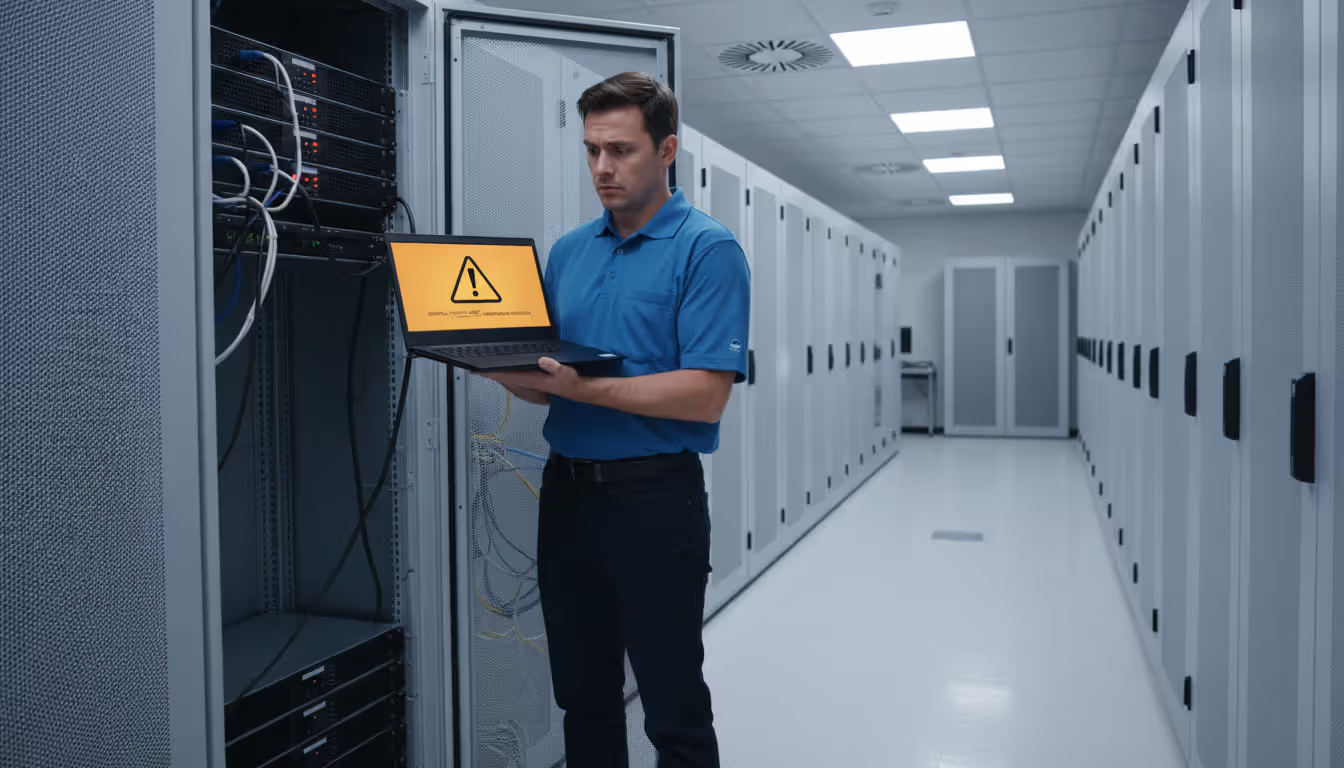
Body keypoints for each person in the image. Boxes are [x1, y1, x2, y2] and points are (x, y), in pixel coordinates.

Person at [478, 71, 749, 767]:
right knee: (583, 697)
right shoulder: (569, 252)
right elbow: (551, 387)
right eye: (593, 149)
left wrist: (586, 390)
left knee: (672, 706)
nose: (603, 167)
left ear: (666, 150)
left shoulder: (707, 249)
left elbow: (705, 394)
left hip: (655, 501)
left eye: (622, 150)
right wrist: (476, 356)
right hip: (568, 498)